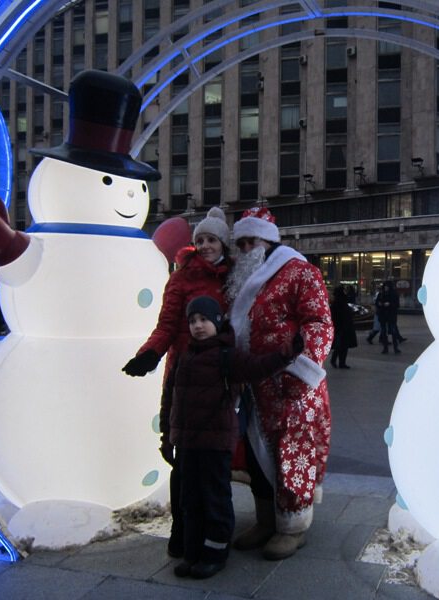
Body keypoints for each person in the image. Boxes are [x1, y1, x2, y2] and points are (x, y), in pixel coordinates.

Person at [122, 206, 231, 559]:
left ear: (223, 243)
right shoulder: (181, 278)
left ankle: (215, 535)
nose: (206, 245)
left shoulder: (236, 277)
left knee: (215, 462)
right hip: (184, 375)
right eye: (200, 240)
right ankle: (182, 533)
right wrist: (149, 354)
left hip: (222, 376)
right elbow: (167, 323)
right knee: (182, 460)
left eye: (212, 239)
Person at [226, 206, 333, 560]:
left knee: (293, 455)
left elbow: (319, 321)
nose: (244, 249)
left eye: (250, 241)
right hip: (255, 386)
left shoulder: (300, 272)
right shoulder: (244, 278)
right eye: (239, 243)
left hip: (292, 385)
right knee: (259, 457)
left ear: (267, 241)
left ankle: (293, 527)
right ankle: (265, 520)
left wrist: (302, 367)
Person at [170, 296, 303, 579]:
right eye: (193, 321)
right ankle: (193, 553)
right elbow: (172, 398)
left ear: (217, 322)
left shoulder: (226, 356)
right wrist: (168, 438)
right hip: (187, 443)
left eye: (204, 320)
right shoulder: (185, 355)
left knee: (214, 498)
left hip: (215, 443)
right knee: (189, 500)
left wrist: (285, 354)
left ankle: (215, 553)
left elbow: (257, 367)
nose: (198, 326)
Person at [329, 285, 357, 369]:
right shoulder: (339, 303)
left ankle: (339, 362)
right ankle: (338, 361)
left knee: (341, 345)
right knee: (342, 346)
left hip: (342, 327)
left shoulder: (338, 302)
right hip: (342, 327)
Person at [375, 280, 401, 354]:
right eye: (385, 286)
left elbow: (397, 304)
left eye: (387, 286)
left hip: (391, 315)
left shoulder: (394, 294)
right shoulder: (381, 294)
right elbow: (377, 302)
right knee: (384, 332)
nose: (386, 288)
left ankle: (395, 348)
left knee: (393, 331)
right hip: (383, 315)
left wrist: (389, 304)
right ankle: (385, 348)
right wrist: (380, 304)